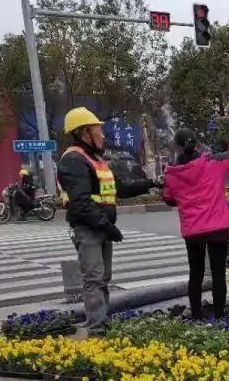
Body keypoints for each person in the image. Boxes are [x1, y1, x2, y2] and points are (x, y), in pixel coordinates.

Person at [57, 107, 157, 334]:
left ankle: (102, 321)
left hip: (100, 227)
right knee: (93, 278)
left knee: (103, 278)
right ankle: (96, 329)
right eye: (97, 130)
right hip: (89, 229)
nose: (102, 135)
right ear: (85, 133)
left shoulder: (95, 160)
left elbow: (118, 187)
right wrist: (106, 226)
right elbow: (80, 203)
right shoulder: (74, 160)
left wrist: (152, 183)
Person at [162, 129, 229, 320]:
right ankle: (219, 315)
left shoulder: (172, 173)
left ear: (177, 146)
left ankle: (197, 315)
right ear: (197, 144)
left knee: (196, 274)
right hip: (218, 228)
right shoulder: (214, 162)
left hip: (193, 231)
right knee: (218, 273)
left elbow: (169, 198)